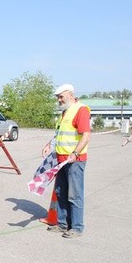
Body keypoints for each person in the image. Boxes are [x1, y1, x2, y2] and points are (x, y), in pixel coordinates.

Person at [42, 84, 91, 239]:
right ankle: (62, 224)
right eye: (58, 97)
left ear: (70, 95)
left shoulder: (81, 110)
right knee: (60, 192)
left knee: (74, 194)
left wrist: (75, 153)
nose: (59, 100)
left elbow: (86, 136)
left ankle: (76, 227)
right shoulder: (65, 112)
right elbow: (59, 134)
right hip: (61, 160)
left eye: (61, 97)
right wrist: (49, 145)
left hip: (74, 161)